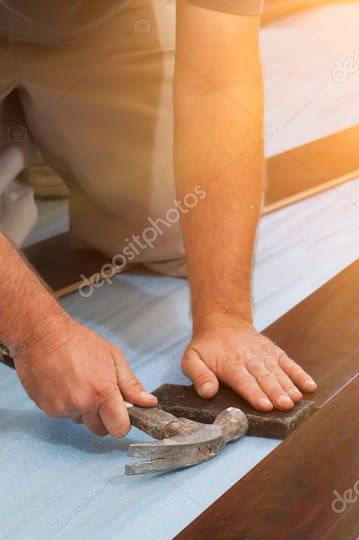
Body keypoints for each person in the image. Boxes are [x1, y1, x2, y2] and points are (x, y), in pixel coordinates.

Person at [0, 0, 316, 437]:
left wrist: (225, 318)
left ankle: (48, 136)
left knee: (171, 230)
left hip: (99, 22)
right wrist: (35, 335)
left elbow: (218, 86)